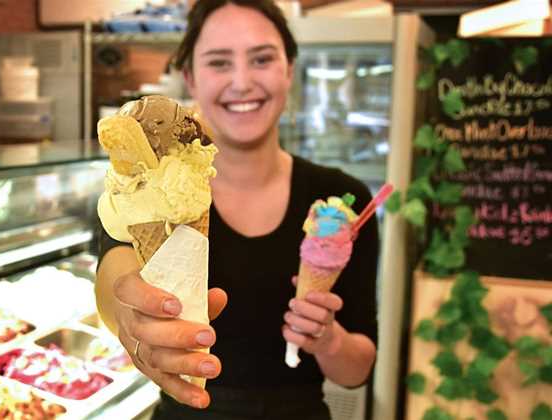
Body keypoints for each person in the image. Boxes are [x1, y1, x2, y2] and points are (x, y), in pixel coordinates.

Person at [95, 1, 379, 419]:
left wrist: (329, 340)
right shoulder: (151, 188)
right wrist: (128, 314)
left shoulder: (337, 199)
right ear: (190, 76)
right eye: (219, 62)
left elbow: (358, 371)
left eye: (262, 59)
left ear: (289, 69)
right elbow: (112, 275)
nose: (242, 82)